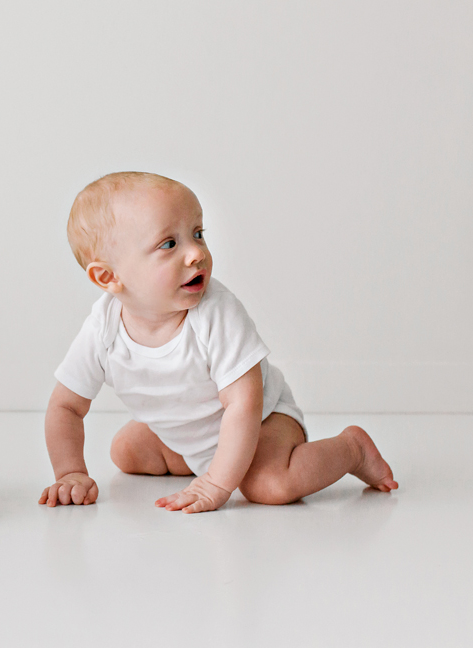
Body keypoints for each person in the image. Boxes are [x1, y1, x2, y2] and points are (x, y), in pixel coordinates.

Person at [39, 172, 397, 512]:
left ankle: (352, 448)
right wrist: (70, 472)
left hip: (262, 422)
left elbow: (244, 402)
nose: (196, 253)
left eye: (197, 233)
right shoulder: (103, 328)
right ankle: (212, 461)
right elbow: (65, 407)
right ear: (108, 276)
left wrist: (215, 485)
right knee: (126, 451)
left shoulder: (215, 312)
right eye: (169, 243)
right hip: (190, 436)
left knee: (270, 485)